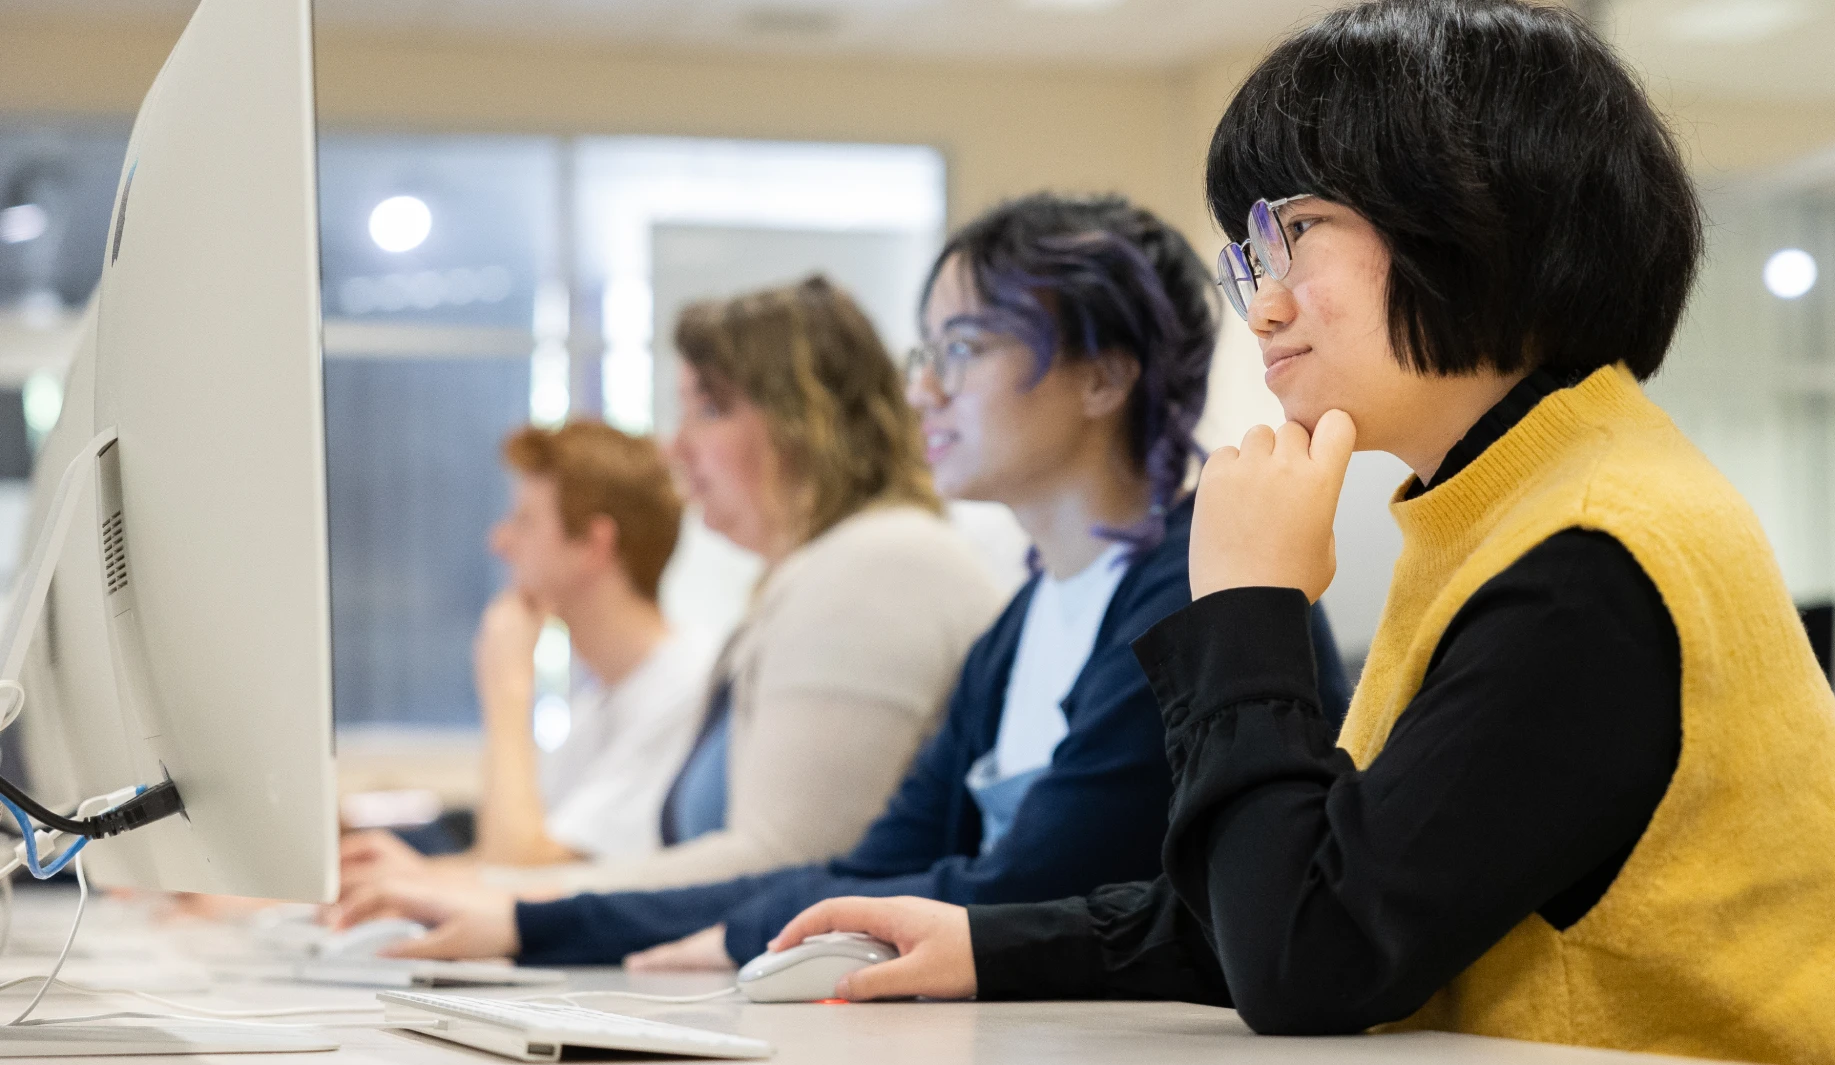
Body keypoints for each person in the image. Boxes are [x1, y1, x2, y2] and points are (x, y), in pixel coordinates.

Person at [767, 0, 1835, 1065]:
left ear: (1482, 218)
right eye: (1249, 255)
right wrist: (991, 943)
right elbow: (1333, 878)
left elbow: (1307, 953)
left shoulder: (1594, 551)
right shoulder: (1519, 498)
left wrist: (1246, 606)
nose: (1262, 304)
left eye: (1298, 231)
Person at [330, 195, 1346, 965]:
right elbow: (871, 866)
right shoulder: (1027, 614)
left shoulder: (1185, 581)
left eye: (965, 345)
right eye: (925, 351)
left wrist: (711, 932)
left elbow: (1024, 880)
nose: (926, 389)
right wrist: (548, 919)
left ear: (1103, 374)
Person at [342, 276, 1001, 903]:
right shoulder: (818, 575)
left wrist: (502, 897)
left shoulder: (878, 566)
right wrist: (475, 890)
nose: (675, 447)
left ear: (806, 421)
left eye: (710, 409)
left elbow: (784, 862)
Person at [340, 420, 718, 873]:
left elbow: (519, 870)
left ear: (594, 546)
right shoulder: (602, 699)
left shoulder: (687, 688)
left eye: (525, 522)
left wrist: (507, 688)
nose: (500, 541)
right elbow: (507, 854)